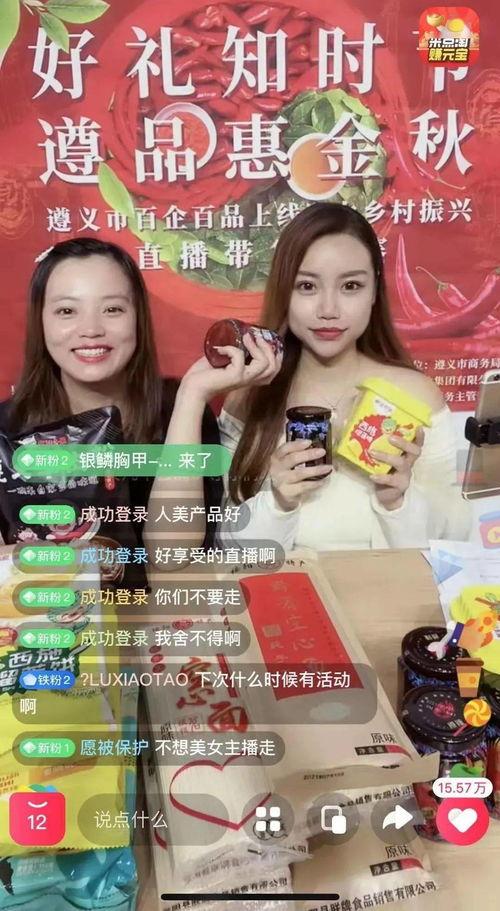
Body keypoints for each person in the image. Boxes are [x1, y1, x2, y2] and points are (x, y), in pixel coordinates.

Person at [0, 237, 279, 558]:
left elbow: (171, 558)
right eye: (66, 311)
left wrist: (191, 397)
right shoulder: (6, 429)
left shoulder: (178, 412)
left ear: (138, 318)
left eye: (112, 309)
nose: (91, 329)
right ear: (40, 321)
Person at [218, 202, 471, 551]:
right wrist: (278, 502)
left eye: (351, 285)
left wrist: (398, 501)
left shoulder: (416, 395)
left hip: (390, 586)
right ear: (283, 291)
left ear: (374, 291)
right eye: (307, 286)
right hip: (285, 584)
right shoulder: (250, 396)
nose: (329, 310)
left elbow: (455, 536)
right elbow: (228, 546)